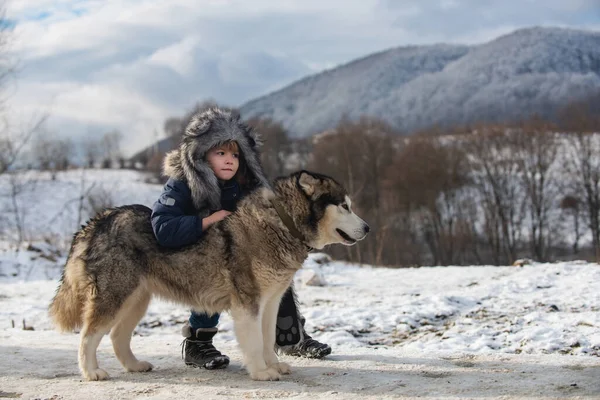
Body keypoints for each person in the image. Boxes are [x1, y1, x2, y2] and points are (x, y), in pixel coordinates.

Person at [151, 107, 331, 370]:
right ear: (200, 154)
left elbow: (276, 215)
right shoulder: (182, 182)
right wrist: (207, 220)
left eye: (235, 154)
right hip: (195, 254)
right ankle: (198, 343)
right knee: (214, 270)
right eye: (220, 153)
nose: (229, 160)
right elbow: (162, 227)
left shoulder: (248, 182)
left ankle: (290, 336)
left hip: (245, 249)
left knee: (277, 267)